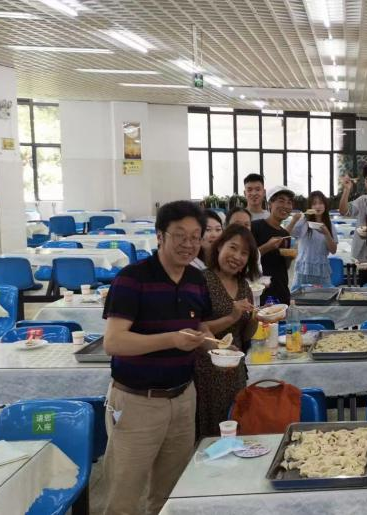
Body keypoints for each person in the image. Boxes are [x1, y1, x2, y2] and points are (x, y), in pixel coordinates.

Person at [101, 200, 215, 514]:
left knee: (170, 494)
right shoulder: (132, 278)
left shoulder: (196, 280)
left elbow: (200, 326)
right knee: (123, 497)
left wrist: (214, 346)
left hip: (183, 398)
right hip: (137, 401)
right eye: (180, 235)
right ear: (160, 236)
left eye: (195, 237)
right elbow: (114, 342)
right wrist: (171, 340)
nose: (188, 244)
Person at [195, 225, 260, 439]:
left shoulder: (243, 286)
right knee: (210, 433)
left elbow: (245, 334)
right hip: (206, 371)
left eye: (244, 253)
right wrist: (231, 317)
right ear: (219, 246)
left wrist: (255, 318)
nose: (237, 257)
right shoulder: (201, 281)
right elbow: (195, 327)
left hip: (235, 370)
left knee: (236, 426)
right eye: (233, 248)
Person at [251, 185, 295, 305]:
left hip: (282, 292)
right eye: (281, 201)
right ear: (270, 203)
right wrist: (267, 247)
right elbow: (247, 259)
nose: (286, 206)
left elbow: (284, 267)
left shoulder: (285, 234)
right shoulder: (255, 227)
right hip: (261, 294)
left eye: (289, 202)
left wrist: (289, 257)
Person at [290, 190, 337, 287]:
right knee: (297, 294)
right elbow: (287, 233)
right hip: (303, 269)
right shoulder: (303, 222)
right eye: (314, 204)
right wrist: (294, 220)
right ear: (310, 207)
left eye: (320, 203)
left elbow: (333, 251)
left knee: (325, 294)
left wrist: (327, 233)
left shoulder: (330, 225)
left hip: (321, 269)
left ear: (325, 205)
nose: (318, 206)